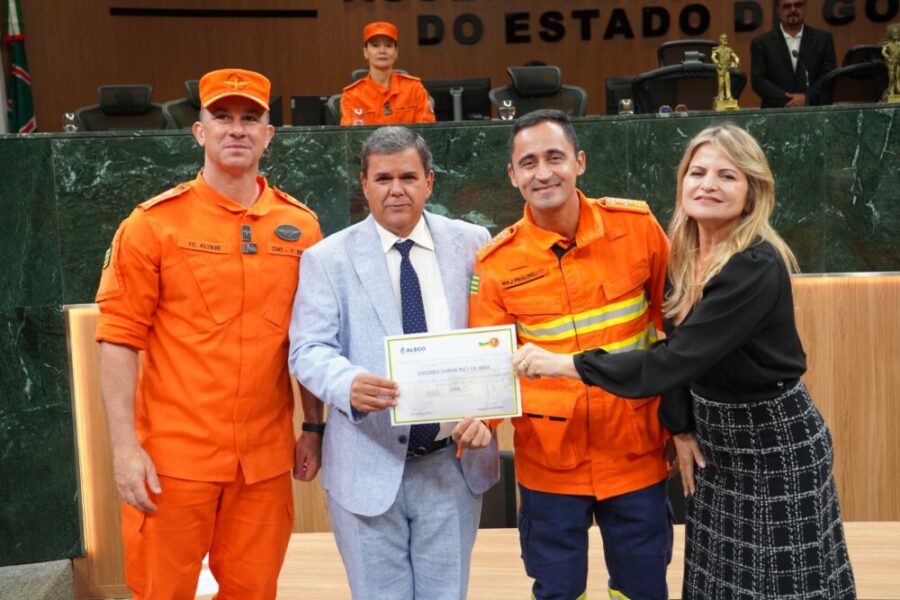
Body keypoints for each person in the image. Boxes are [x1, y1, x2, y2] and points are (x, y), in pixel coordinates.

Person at [513, 124, 857, 599]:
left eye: (727, 176)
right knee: (718, 582)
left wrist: (564, 365)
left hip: (772, 443)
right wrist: (679, 425)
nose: (708, 185)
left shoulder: (753, 266)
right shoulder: (682, 256)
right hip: (714, 443)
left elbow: (670, 362)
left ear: (753, 192)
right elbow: (668, 345)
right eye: (697, 172)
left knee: (779, 584)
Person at [94, 68, 324, 599]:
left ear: (270, 134)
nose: (236, 129)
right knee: (161, 591)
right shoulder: (153, 225)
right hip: (174, 464)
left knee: (254, 591)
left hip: (264, 464)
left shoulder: (302, 228)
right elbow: (118, 338)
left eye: (251, 118)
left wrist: (314, 426)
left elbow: (309, 340)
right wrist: (125, 449)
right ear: (199, 131)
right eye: (222, 116)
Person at [468, 109, 672, 600]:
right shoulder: (495, 266)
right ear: (512, 176)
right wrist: (481, 421)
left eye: (555, 157)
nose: (544, 172)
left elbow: (676, 329)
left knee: (642, 590)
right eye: (529, 162)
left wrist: (683, 422)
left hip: (635, 451)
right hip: (549, 463)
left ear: (579, 162)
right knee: (559, 592)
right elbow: (489, 363)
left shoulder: (638, 227)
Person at [289, 125, 499, 599]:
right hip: (366, 461)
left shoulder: (474, 243)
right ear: (364, 185)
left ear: (430, 181)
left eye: (408, 176)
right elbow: (307, 349)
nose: (396, 189)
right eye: (383, 179)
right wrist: (347, 384)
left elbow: (492, 338)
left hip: (451, 465)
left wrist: (487, 412)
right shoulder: (327, 259)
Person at [340, 21, 436, 126]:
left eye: (388, 45)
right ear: (365, 52)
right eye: (375, 45)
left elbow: (427, 133)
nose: (382, 51)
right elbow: (351, 138)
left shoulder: (414, 89)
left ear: (396, 52)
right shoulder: (352, 95)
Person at [750, 0, 836, 108]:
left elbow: (828, 75)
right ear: (778, 10)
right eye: (786, 6)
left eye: (798, 5)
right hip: (775, 114)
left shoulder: (823, 39)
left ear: (805, 7)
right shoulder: (761, 43)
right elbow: (759, 81)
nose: (793, 10)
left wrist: (807, 98)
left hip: (814, 111)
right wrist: (789, 100)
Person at [711, 33, 740, 101]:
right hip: (721, 68)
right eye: (723, 39)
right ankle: (720, 97)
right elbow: (713, 57)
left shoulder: (729, 49)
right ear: (720, 39)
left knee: (728, 83)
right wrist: (717, 63)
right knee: (721, 84)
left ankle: (728, 96)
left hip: (727, 68)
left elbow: (735, 56)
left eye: (726, 39)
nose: (725, 40)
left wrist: (737, 61)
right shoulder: (717, 49)